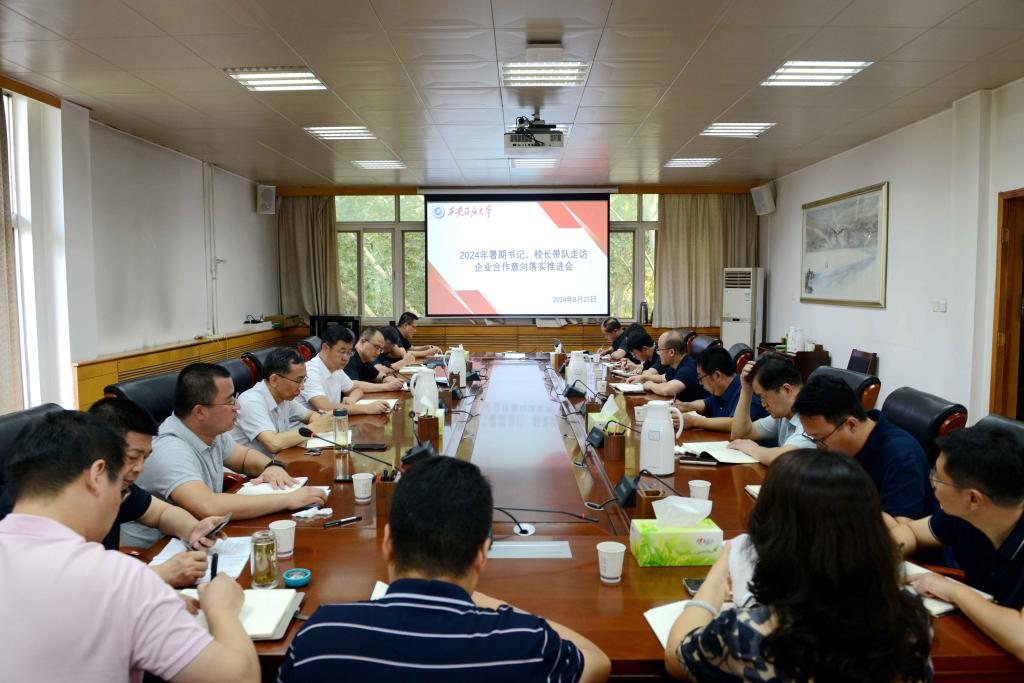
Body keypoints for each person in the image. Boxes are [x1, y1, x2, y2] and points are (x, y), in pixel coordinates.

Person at [277, 456, 611, 682]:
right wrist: (485, 600)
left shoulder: (318, 637)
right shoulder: (527, 644)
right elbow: (597, 662)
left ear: (387, 543)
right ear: (482, 554)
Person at [0, 410, 259, 682]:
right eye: (121, 491)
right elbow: (241, 678)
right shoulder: (119, 581)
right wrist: (221, 609)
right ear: (97, 475)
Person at [664, 449, 932, 682]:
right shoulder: (912, 620)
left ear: (774, 534)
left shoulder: (750, 632)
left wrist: (715, 580)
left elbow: (677, 658)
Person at [122, 362, 327, 548]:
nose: (237, 407)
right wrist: (288, 499)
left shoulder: (209, 430)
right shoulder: (170, 449)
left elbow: (245, 458)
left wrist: (272, 466)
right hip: (156, 553)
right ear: (200, 412)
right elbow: (208, 506)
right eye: (230, 402)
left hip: (199, 538)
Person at [890, 425, 1024, 661]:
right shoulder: (965, 515)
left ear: (973, 498)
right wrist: (882, 555)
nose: (933, 484)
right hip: (982, 642)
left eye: (938, 479)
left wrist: (954, 591)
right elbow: (911, 532)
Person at [88, 397, 225, 586]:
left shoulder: (117, 487)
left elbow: (161, 513)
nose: (140, 468)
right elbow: (86, 584)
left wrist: (193, 529)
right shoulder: (72, 506)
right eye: (133, 457)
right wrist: (162, 574)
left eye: (145, 458)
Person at [793, 374, 936, 524]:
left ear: (851, 425)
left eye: (820, 439)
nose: (818, 446)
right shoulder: (841, 444)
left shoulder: (901, 455)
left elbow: (900, 528)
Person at [230, 347, 335, 456]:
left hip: (278, 460)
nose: (302, 387)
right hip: (256, 466)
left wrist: (322, 421)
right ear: (274, 380)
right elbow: (273, 443)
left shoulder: (283, 397)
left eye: (304, 380)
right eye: (298, 380)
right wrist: (317, 427)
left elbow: (310, 415)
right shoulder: (251, 402)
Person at [728, 352, 814, 463]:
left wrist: (752, 449)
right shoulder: (784, 415)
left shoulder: (811, 417)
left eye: (764, 397)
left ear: (786, 390)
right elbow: (740, 434)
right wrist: (746, 390)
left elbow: (784, 458)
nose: (763, 404)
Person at [298, 324, 390, 415]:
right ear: (325, 348)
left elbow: (357, 389)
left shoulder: (336, 369)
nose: (346, 358)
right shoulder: (309, 371)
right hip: (309, 424)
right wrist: (367, 408)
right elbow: (325, 408)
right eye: (342, 352)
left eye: (349, 352)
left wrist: (351, 399)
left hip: (332, 421)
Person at [678, 346, 768, 432]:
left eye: (700, 377)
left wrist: (694, 421)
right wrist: (684, 406)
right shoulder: (720, 390)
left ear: (716, 376)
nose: (700, 383)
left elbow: (736, 423)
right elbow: (706, 403)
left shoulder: (747, 390)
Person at [642, 331, 708, 402]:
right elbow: (663, 378)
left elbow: (667, 390)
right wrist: (644, 378)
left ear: (671, 352)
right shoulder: (676, 364)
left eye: (659, 350)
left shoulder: (688, 368)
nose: (658, 353)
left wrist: (650, 385)